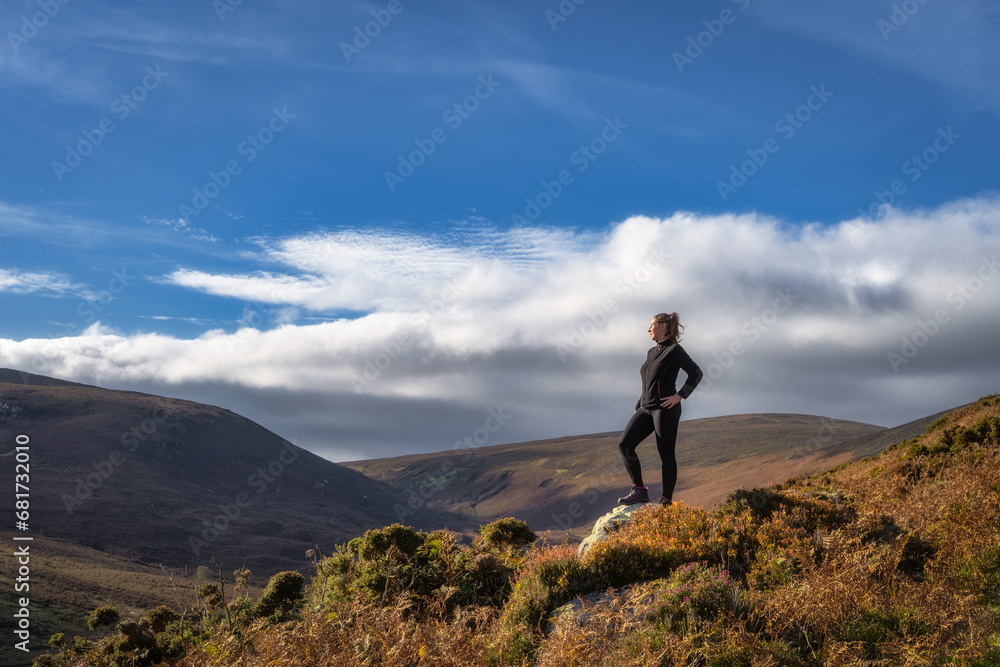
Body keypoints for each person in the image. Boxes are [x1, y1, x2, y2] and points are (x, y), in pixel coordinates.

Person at [617, 312, 703, 507]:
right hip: (646, 408)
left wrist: (680, 396)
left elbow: (696, 373)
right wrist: (639, 405)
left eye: (651, 325)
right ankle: (639, 490)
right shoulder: (651, 352)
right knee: (625, 444)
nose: (648, 329)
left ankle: (666, 500)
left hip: (665, 409)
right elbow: (649, 381)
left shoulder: (674, 350)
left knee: (666, 454)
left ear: (662, 326)